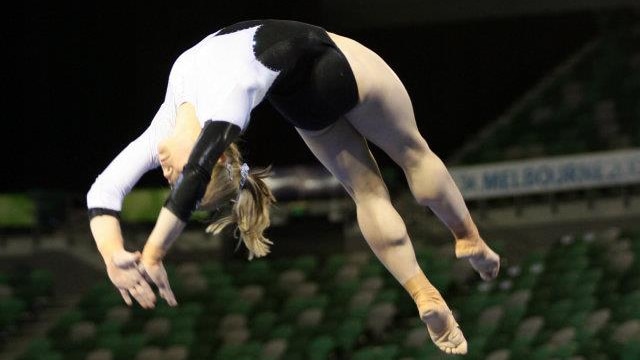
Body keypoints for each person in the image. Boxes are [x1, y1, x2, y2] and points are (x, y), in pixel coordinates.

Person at [87, 19, 500, 355]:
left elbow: (103, 191)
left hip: (301, 94)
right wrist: (133, 254)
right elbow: (168, 181)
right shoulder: (223, 108)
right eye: (174, 178)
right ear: (212, 157)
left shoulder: (166, 123)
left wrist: (131, 253)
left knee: (368, 192)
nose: (166, 174)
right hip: (333, 61)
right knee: (414, 155)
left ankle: (440, 273)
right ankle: (460, 248)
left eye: (172, 179)